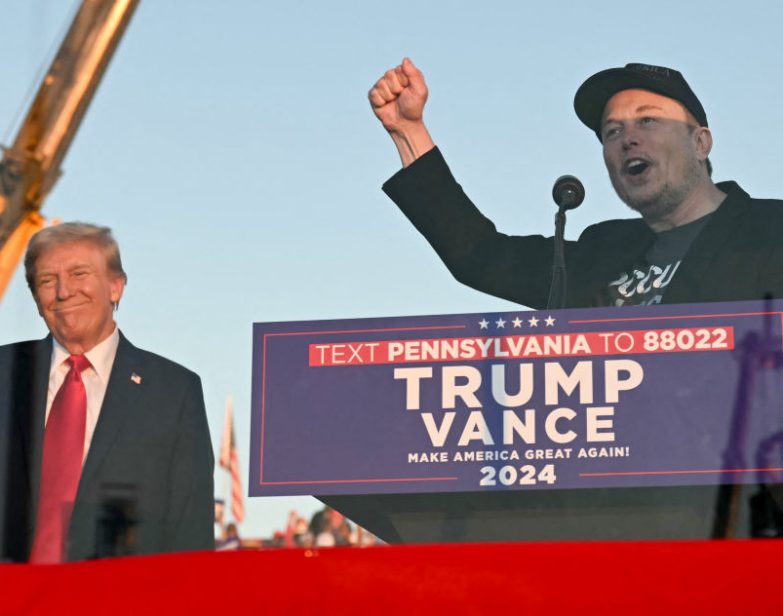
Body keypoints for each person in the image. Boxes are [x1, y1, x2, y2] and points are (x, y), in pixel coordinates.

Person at [369, 59, 783, 308]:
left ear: (701, 142)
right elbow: (481, 256)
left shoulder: (770, 230)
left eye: (648, 120)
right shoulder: (598, 254)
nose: (628, 138)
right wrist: (408, 130)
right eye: (612, 131)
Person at [0, 222, 214, 563]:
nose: (63, 291)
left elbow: (190, 532)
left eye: (79, 274)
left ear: (116, 287)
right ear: (36, 300)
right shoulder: (5, 373)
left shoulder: (174, 392)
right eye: (46, 280)